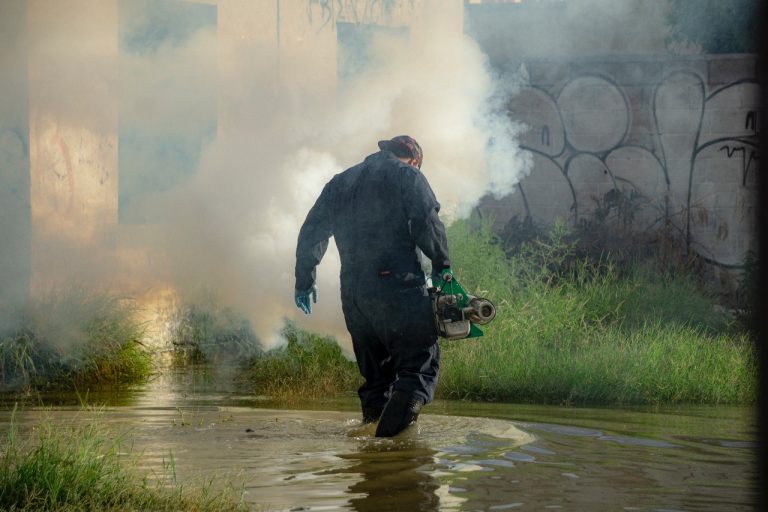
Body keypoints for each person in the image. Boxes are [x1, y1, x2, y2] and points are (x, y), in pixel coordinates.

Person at [294, 135, 453, 437]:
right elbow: (426, 222)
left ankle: (370, 464)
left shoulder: (339, 183)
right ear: (415, 159)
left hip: (354, 296)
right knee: (417, 369)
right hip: (398, 289)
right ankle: (382, 451)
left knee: (378, 380)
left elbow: (311, 234)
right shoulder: (408, 176)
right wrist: (443, 266)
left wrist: (305, 280)